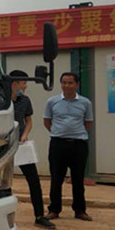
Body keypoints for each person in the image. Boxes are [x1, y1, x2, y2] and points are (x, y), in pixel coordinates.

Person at [43, 72, 94, 221]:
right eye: (64, 83)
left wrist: (76, 133)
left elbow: (88, 123)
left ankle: (80, 210)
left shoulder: (85, 103)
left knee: (78, 179)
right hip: (58, 144)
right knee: (56, 178)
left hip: (78, 145)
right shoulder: (52, 101)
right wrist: (59, 132)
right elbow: (47, 121)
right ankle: (54, 209)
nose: (67, 86)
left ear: (77, 84)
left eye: (70, 83)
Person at [9, 70, 54, 229]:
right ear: (14, 83)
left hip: (21, 146)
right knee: (1, 183)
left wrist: (24, 135)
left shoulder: (25, 100)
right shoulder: (0, 100)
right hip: (3, 147)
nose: (25, 86)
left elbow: (28, 121)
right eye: (23, 83)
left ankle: (39, 216)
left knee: (34, 180)